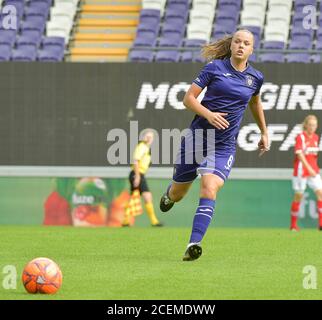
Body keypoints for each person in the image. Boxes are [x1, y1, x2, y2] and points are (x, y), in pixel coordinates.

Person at [159, 29, 269, 261]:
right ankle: (169, 195)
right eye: (237, 41)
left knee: (209, 187)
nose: (241, 45)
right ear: (231, 45)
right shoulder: (214, 68)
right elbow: (188, 98)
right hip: (198, 139)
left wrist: (264, 131)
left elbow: (255, 103)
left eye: (246, 43)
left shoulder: (255, 78)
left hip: (224, 145)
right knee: (178, 193)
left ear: (252, 49)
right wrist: (208, 114)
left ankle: (193, 243)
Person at [122, 130, 163, 227]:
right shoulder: (142, 147)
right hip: (137, 173)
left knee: (134, 197)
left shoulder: (146, 148)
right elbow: (136, 161)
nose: (149, 138)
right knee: (147, 196)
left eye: (151, 137)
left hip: (138, 174)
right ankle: (154, 221)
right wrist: (137, 176)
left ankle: (125, 220)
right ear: (143, 137)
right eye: (147, 136)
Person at [290, 115, 322, 231]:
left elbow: (314, 156)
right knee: (299, 195)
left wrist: (315, 168)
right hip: (301, 170)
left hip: (313, 170)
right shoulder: (301, 137)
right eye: (311, 125)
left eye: (315, 125)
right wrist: (309, 169)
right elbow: (300, 155)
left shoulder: (316, 137)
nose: (313, 127)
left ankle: (321, 224)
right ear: (306, 125)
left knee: (320, 193)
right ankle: (293, 225)